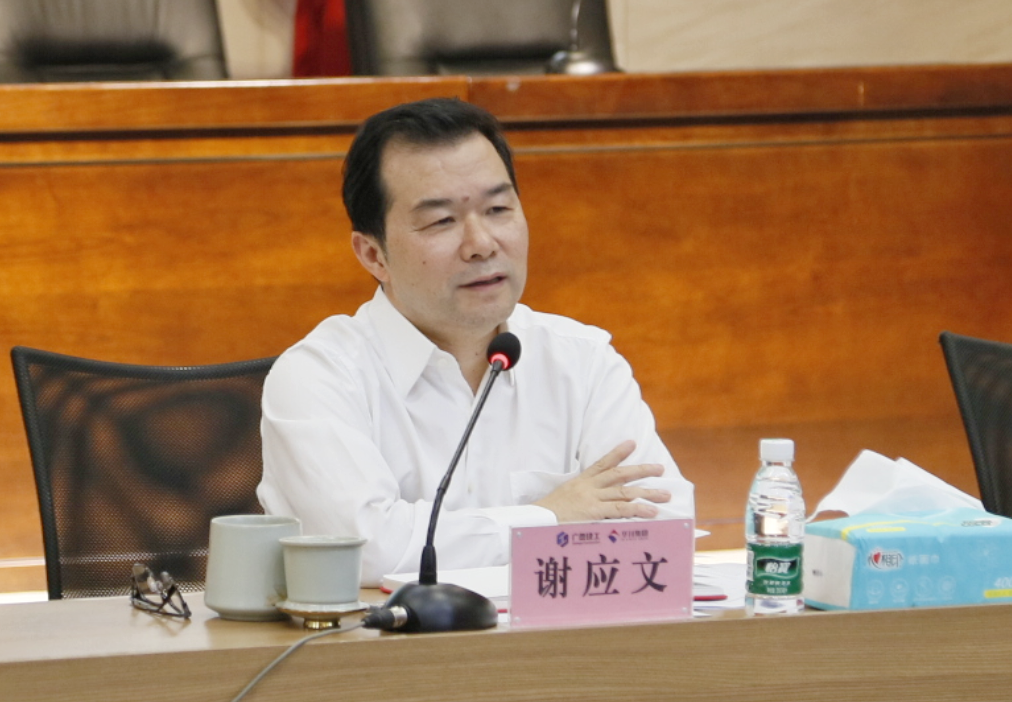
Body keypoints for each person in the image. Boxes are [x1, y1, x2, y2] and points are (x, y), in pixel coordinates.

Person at [258, 97, 693, 585]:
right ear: (374, 255)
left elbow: (664, 525)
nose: (482, 244)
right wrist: (550, 515)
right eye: (441, 221)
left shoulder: (582, 361)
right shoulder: (318, 377)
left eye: (498, 209)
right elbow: (361, 550)